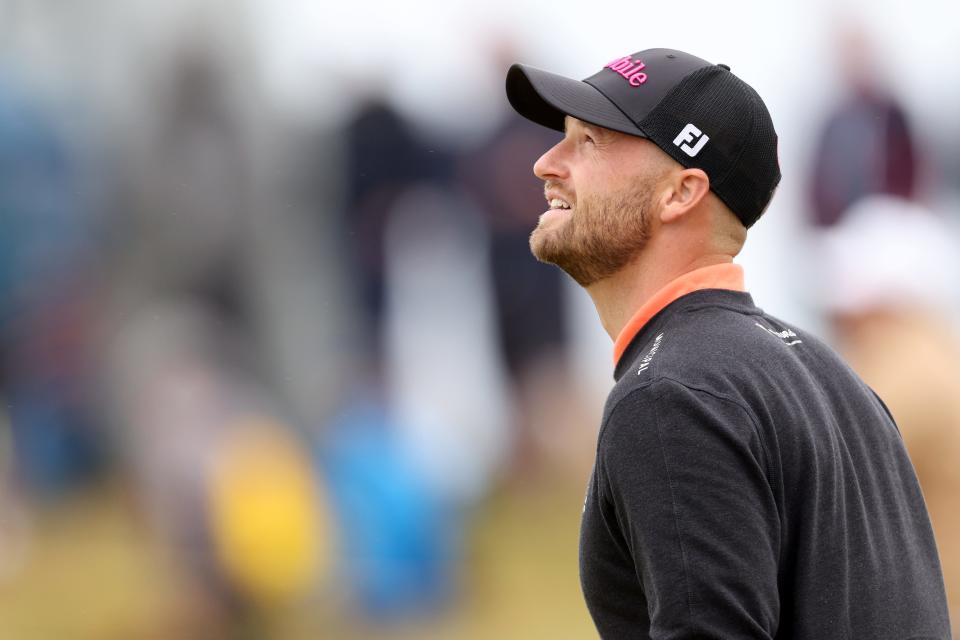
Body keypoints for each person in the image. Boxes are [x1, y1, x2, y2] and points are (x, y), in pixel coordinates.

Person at [504, 47, 951, 638]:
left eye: (590, 141)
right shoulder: (837, 378)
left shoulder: (672, 397)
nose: (546, 163)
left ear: (680, 192)